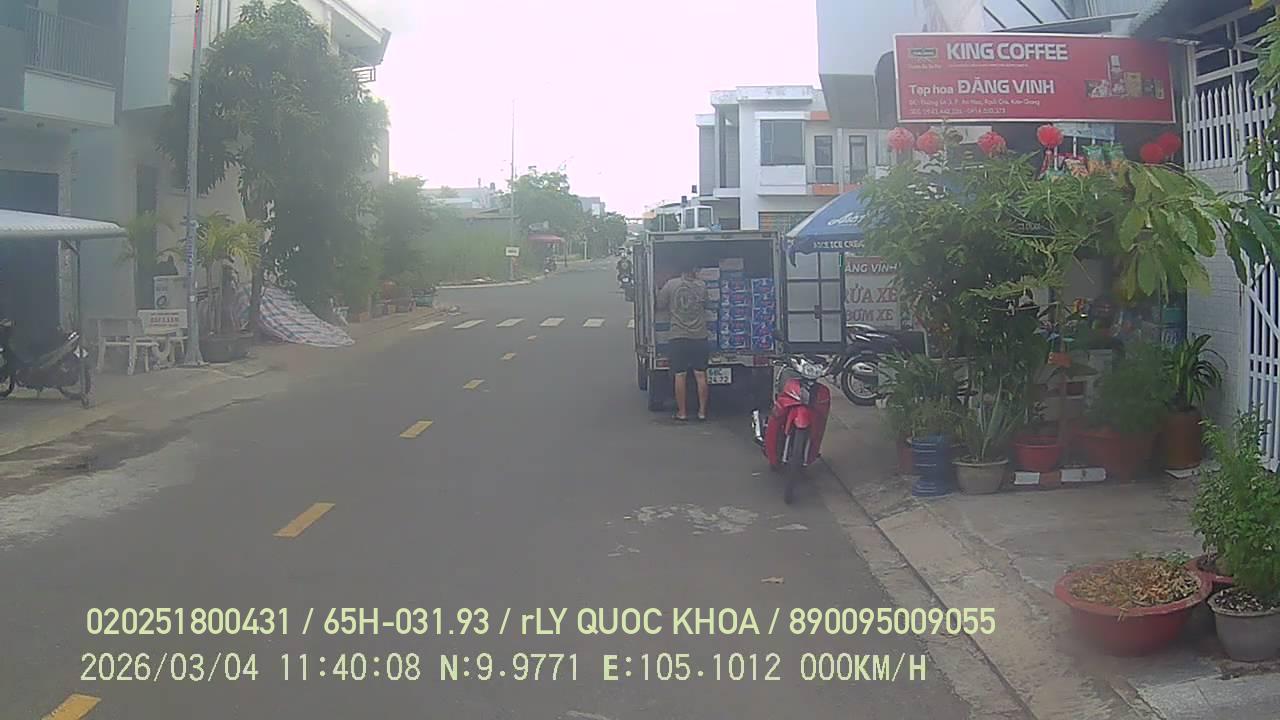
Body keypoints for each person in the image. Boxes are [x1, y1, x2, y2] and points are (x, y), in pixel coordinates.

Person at [656, 261, 709, 421]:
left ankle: (682, 412)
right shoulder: (702, 285)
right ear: (694, 270)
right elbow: (706, 304)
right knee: (701, 374)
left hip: (678, 336)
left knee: (680, 375)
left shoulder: (671, 284)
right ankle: (702, 412)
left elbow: (660, 304)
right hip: (699, 336)